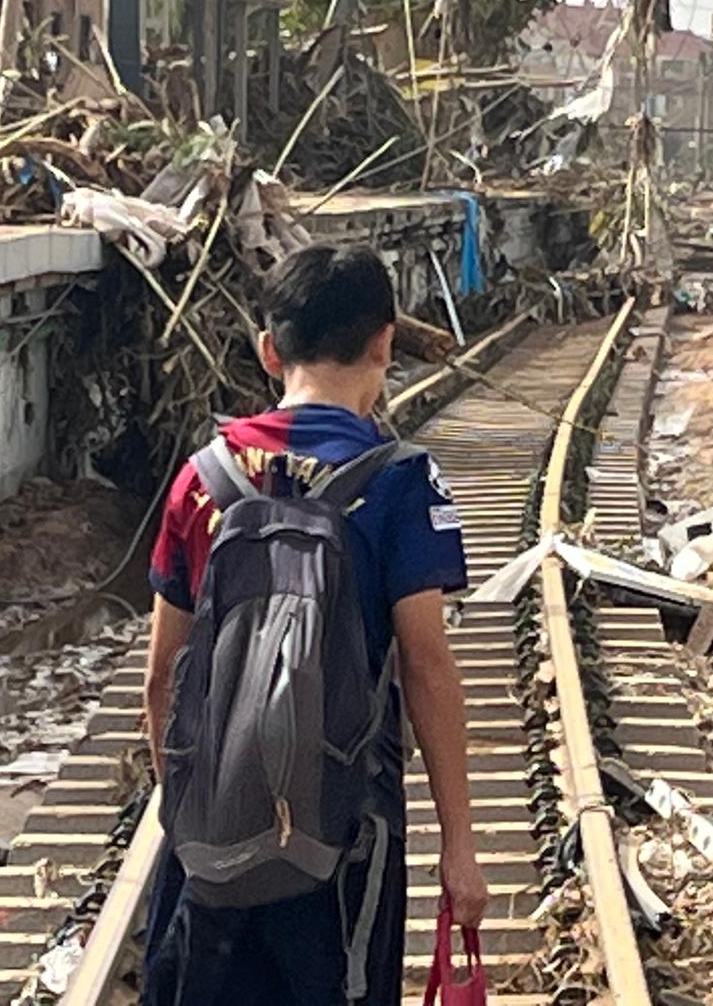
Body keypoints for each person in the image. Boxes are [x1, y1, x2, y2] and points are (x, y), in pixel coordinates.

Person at [140, 244, 489, 1004]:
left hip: (212, 840)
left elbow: (163, 680)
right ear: (385, 343)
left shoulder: (201, 481)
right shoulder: (401, 481)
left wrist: (197, 814)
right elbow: (428, 669)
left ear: (270, 350)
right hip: (346, 836)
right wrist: (458, 849)